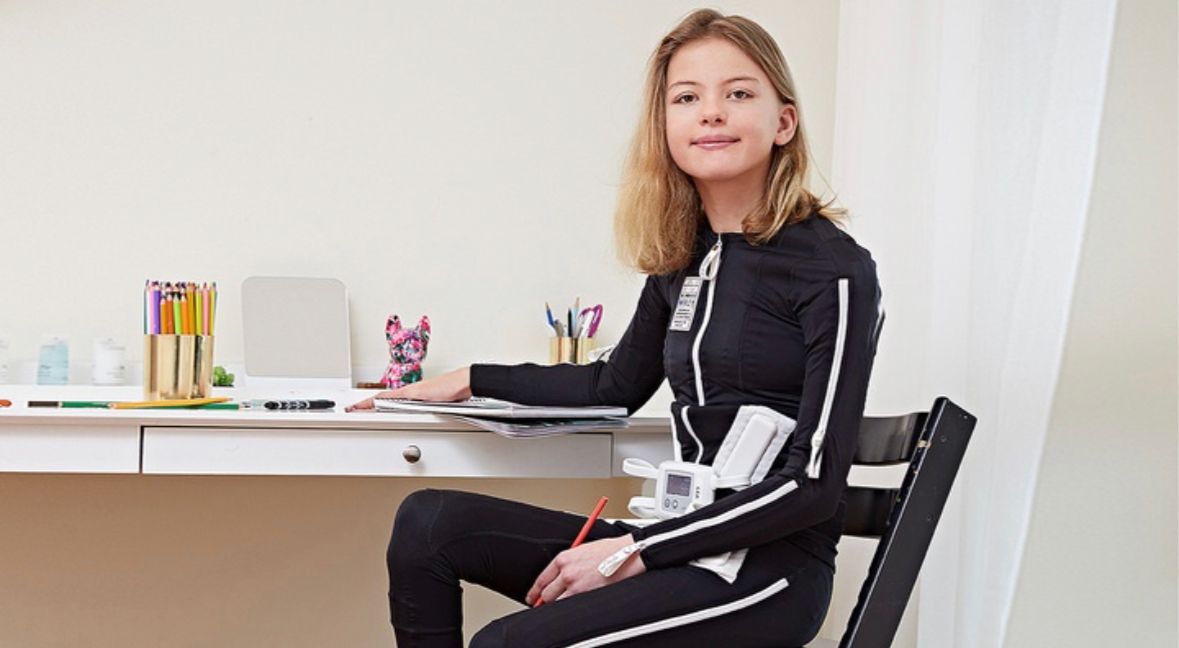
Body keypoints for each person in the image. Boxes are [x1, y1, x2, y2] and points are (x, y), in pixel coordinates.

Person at [349, 8, 881, 647]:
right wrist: (468, 380)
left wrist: (635, 551)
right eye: (687, 98)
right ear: (665, 125)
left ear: (784, 122)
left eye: (739, 94)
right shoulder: (684, 257)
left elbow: (813, 487)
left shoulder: (833, 269)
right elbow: (613, 385)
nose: (712, 113)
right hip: (681, 543)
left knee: (505, 644)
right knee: (428, 522)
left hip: (769, 572)